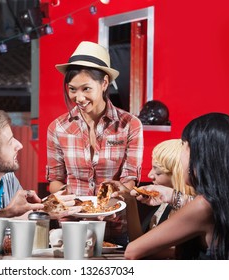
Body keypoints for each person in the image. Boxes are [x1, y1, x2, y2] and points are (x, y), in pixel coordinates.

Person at [46, 41, 144, 246]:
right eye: (72, 89)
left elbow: (130, 179)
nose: (78, 97)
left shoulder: (129, 125)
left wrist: (110, 200)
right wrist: (67, 198)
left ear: (104, 83)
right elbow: (54, 180)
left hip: (115, 226)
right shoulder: (57, 128)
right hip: (72, 227)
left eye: (86, 89)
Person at [124, 112, 229, 259]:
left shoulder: (204, 207)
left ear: (198, 156)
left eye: (184, 146)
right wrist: (172, 196)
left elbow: (132, 251)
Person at [109, 139, 195, 259]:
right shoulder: (165, 204)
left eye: (158, 172)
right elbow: (138, 242)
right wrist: (130, 201)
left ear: (177, 176)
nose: (149, 175)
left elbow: (139, 250)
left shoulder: (192, 211)